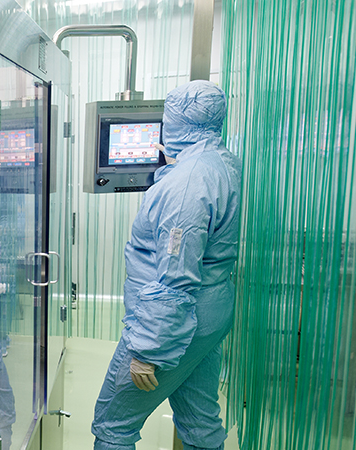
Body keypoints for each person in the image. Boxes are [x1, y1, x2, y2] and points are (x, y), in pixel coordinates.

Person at [91, 80, 242, 450]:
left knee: (113, 425)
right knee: (200, 421)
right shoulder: (220, 162)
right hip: (210, 315)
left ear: (176, 122)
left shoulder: (187, 185)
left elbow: (176, 276)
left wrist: (148, 351)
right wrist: (178, 165)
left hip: (177, 324)